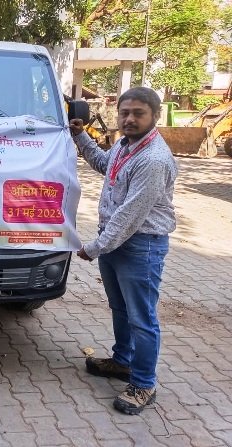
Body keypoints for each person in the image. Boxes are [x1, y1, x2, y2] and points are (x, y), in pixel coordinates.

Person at [69, 86, 178, 415]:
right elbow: (105, 164)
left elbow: (130, 216)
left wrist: (94, 248)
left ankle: (143, 384)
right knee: (120, 308)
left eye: (138, 113)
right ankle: (122, 361)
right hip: (115, 242)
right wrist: (81, 137)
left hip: (140, 246)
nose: (129, 119)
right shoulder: (124, 145)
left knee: (141, 318)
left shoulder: (153, 159)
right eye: (124, 113)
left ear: (155, 115)